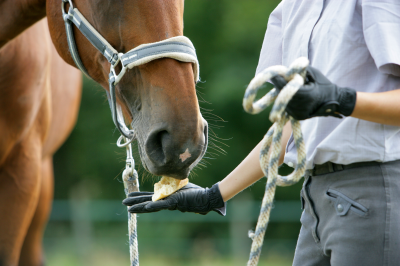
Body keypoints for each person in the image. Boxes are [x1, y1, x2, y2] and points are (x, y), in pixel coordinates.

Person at [123, 0, 400, 265]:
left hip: (372, 191)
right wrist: (213, 196)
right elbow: (288, 130)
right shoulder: (291, 8)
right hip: (316, 201)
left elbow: (333, 102)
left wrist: (341, 99)